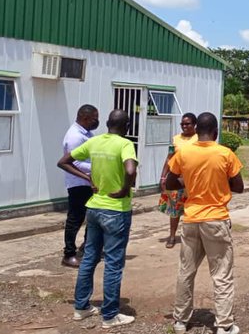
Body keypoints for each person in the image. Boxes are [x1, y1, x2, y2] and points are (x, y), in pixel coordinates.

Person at [57, 109, 138, 329]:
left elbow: (63, 161)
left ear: (108, 124)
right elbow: (130, 170)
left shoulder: (95, 142)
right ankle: (110, 315)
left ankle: (81, 307)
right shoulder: (125, 144)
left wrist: (87, 178)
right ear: (126, 126)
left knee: (90, 257)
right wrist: (123, 190)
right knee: (113, 263)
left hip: (94, 208)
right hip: (116, 210)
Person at [166, 112, 244, 334]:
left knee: (186, 270)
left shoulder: (184, 153)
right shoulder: (225, 154)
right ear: (216, 132)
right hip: (216, 219)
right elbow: (238, 186)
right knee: (221, 274)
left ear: (197, 130)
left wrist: (188, 179)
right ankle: (224, 325)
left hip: (191, 219)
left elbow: (171, 182)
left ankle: (180, 321)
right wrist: (219, 179)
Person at [61, 104, 100, 268]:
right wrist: (98, 167)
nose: (97, 121)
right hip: (78, 183)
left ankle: (87, 247)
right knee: (75, 219)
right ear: (85, 118)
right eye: (94, 118)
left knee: (91, 217)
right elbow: (74, 161)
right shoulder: (75, 136)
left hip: (87, 182)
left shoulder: (86, 134)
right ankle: (69, 254)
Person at [158, 113, 198, 249]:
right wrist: (163, 176)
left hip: (193, 180)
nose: (185, 126)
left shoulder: (199, 139)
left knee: (192, 208)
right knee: (174, 209)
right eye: (182, 124)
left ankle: (192, 236)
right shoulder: (175, 139)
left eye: (188, 124)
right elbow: (169, 158)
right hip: (176, 179)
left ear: (194, 125)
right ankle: (172, 235)